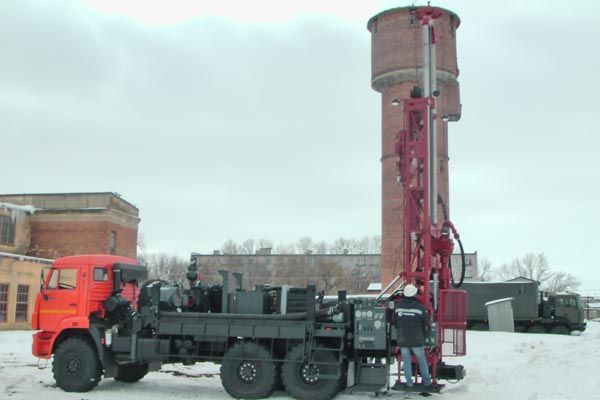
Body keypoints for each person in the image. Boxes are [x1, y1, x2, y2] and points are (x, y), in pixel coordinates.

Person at [393, 283, 432, 388]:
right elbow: (426, 323)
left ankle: (409, 382)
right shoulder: (420, 307)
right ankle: (426, 381)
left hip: (403, 340)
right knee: (422, 360)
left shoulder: (398, 307)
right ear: (415, 294)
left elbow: (394, 322)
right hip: (417, 340)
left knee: (406, 361)